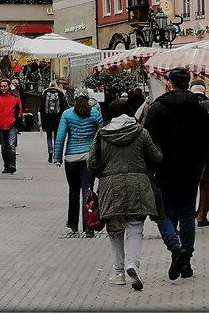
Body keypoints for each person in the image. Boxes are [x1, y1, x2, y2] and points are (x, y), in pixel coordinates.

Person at [144, 67, 209, 281]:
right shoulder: (199, 108)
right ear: (188, 83)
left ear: (170, 83)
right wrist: (202, 165)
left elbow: (147, 138)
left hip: (164, 168)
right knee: (187, 214)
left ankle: (176, 250)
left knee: (165, 213)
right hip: (191, 169)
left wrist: (151, 164)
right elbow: (206, 141)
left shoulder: (158, 108)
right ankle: (186, 259)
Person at [89, 99, 162, 291]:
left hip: (110, 186)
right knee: (135, 227)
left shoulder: (102, 134)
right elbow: (155, 158)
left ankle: (119, 273)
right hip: (138, 184)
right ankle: (132, 264)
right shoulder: (141, 132)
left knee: (114, 230)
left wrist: (104, 174)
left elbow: (92, 163)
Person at [54, 94, 104, 235]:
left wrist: (57, 157)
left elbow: (60, 136)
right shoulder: (95, 114)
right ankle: (89, 226)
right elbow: (103, 134)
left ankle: (73, 224)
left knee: (73, 190)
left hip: (71, 158)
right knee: (87, 190)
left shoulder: (67, 114)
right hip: (89, 157)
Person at [190, 80, 209, 228]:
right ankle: (202, 217)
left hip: (188, 151)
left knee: (189, 184)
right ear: (204, 91)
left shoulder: (185, 106)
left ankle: (188, 213)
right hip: (207, 151)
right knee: (205, 185)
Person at [0, 79, 23, 174]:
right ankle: (6, 165)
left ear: (9, 87)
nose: (3, 88)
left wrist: (17, 121)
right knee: (4, 147)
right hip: (0, 124)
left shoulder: (15, 97)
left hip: (12, 124)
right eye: (2, 86)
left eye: (5, 86)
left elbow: (20, 109)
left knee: (11, 145)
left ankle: (12, 165)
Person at [40, 81, 67, 164]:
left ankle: (50, 152)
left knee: (49, 137)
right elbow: (63, 108)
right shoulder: (60, 94)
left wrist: (42, 120)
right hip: (57, 119)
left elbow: (41, 109)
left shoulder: (45, 94)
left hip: (47, 119)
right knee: (56, 137)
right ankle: (56, 154)